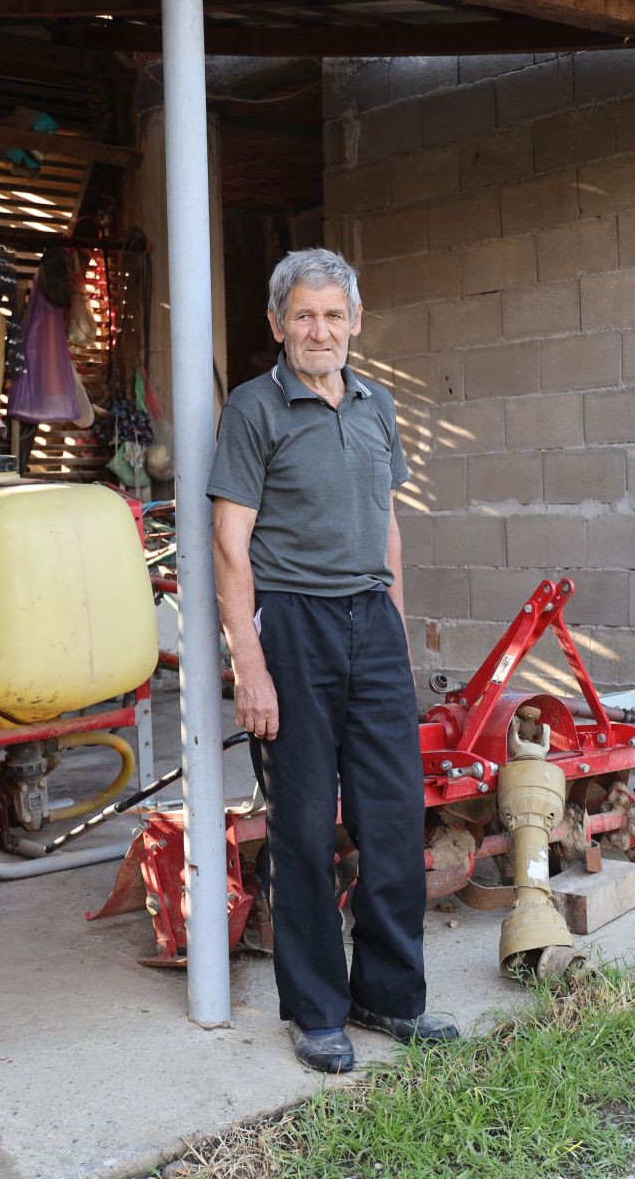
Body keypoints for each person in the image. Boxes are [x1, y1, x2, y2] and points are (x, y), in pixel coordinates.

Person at [209, 247, 459, 1073]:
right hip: (294, 629)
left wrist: (393, 619)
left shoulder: (377, 404)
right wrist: (250, 663)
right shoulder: (253, 409)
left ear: (356, 323)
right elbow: (229, 542)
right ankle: (316, 1011)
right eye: (305, 315)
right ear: (278, 325)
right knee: (307, 827)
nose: (321, 330)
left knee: (392, 820)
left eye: (334, 315)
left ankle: (388, 996)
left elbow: (387, 521)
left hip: (371, 626)